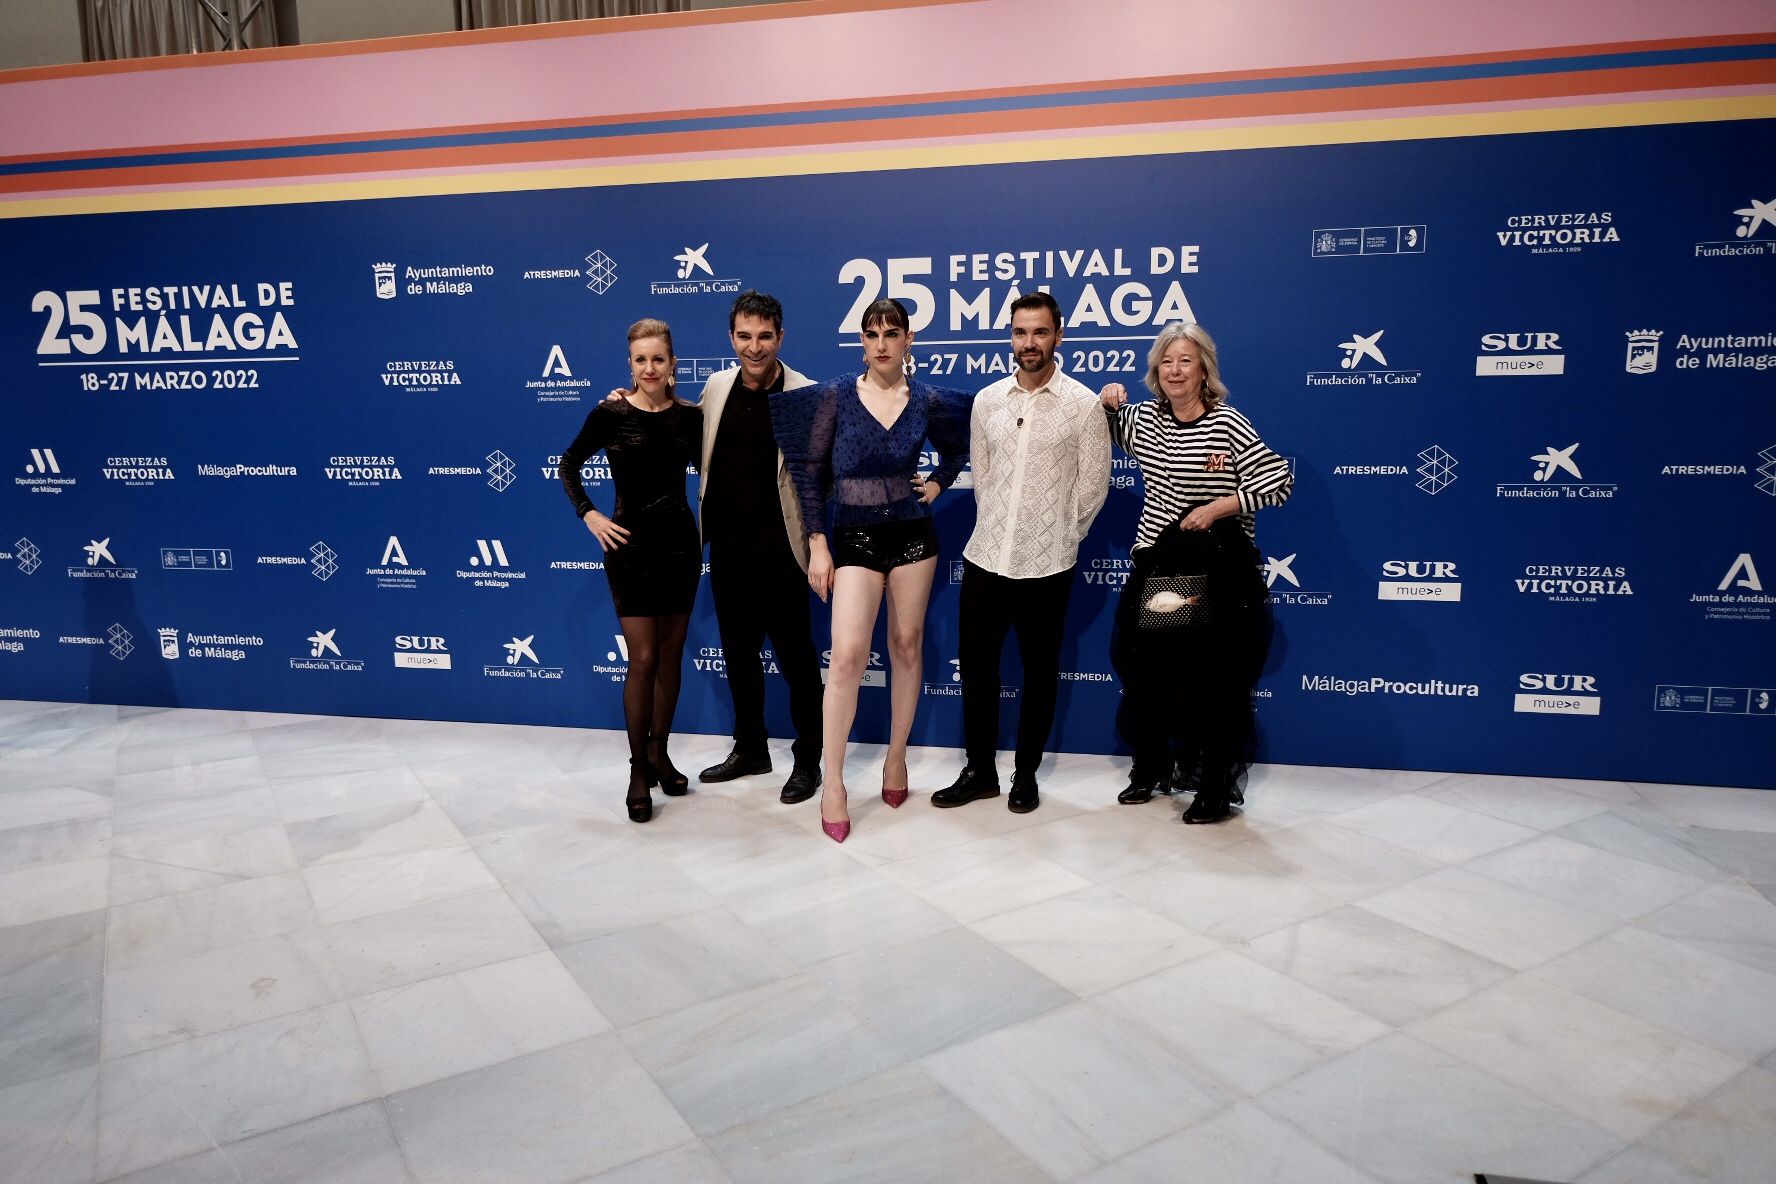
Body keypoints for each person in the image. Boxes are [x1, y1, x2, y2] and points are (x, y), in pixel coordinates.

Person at [771, 297, 971, 842]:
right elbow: (808, 473)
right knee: (848, 658)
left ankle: (896, 759)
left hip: (913, 535)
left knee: (907, 643)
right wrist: (817, 543)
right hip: (853, 537)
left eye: (892, 333)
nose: (881, 343)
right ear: (862, 341)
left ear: (909, 340)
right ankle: (833, 783)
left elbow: (962, 446)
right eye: (872, 333)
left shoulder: (928, 400)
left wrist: (936, 484)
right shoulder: (836, 396)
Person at [1099, 321, 1291, 824]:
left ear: (1204, 368)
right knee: (1145, 671)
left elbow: (1279, 481)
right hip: (1158, 564)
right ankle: (1151, 769)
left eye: (1185, 360)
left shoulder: (1228, 423)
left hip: (1218, 570)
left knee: (1212, 679)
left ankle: (1212, 786)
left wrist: (1221, 506)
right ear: (1155, 371)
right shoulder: (1141, 420)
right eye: (1166, 361)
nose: (1175, 370)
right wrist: (1108, 401)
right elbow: (1100, 430)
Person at [932, 292, 1110, 814]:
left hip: (1048, 564)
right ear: (1010, 337)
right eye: (1019, 333)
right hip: (986, 557)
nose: (1028, 343)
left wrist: (1057, 535)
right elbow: (983, 482)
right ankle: (980, 771)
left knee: (1038, 673)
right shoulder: (988, 401)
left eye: (1039, 333)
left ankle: (1025, 775)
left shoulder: (1082, 405)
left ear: (1058, 336)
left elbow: (1093, 489)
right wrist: (1004, 526)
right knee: (979, 671)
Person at [560, 318, 702, 824]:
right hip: (629, 547)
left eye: (658, 359)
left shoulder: (692, 417)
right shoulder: (610, 412)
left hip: (681, 547)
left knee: (670, 653)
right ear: (630, 364)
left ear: (672, 365)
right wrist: (590, 514)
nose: (649, 368)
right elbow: (568, 463)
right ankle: (638, 767)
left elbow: (722, 468)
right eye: (641, 360)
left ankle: (661, 750)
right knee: (642, 658)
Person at [692, 291, 826, 805]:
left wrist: (815, 543)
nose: (754, 347)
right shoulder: (717, 386)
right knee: (739, 655)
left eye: (764, 336)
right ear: (732, 338)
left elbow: (821, 476)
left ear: (781, 337)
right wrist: (626, 400)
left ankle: (808, 759)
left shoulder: (804, 393)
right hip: (726, 547)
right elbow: (681, 429)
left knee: (795, 659)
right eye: (744, 337)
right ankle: (750, 748)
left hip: (781, 548)